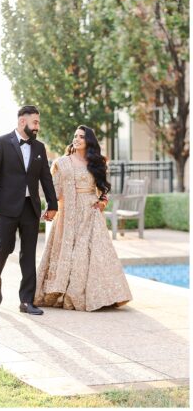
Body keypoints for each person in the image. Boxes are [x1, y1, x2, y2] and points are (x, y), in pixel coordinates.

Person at [34, 126, 132, 311]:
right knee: (71, 253)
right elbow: (54, 191)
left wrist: (102, 202)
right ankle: (64, 292)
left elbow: (103, 190)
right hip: (68, 215)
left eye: (81, 137)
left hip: (90, 213)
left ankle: (102, 295)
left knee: (94, 253)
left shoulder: (98, 162)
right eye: (75, 136)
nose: (77, 139)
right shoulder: (62, 163)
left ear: (89, 141)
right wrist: (50, 208)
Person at [0, 105, 58, 315]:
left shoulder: (39, 148)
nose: (37, 127)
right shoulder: (1, 143)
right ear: (22, 121)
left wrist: (52, 205)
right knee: (2, 248)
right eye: (35, 122)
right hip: (6, 207)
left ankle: (26, 301)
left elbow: (46, 178)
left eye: (38, 123)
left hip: (30, 208)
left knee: (29, 254)